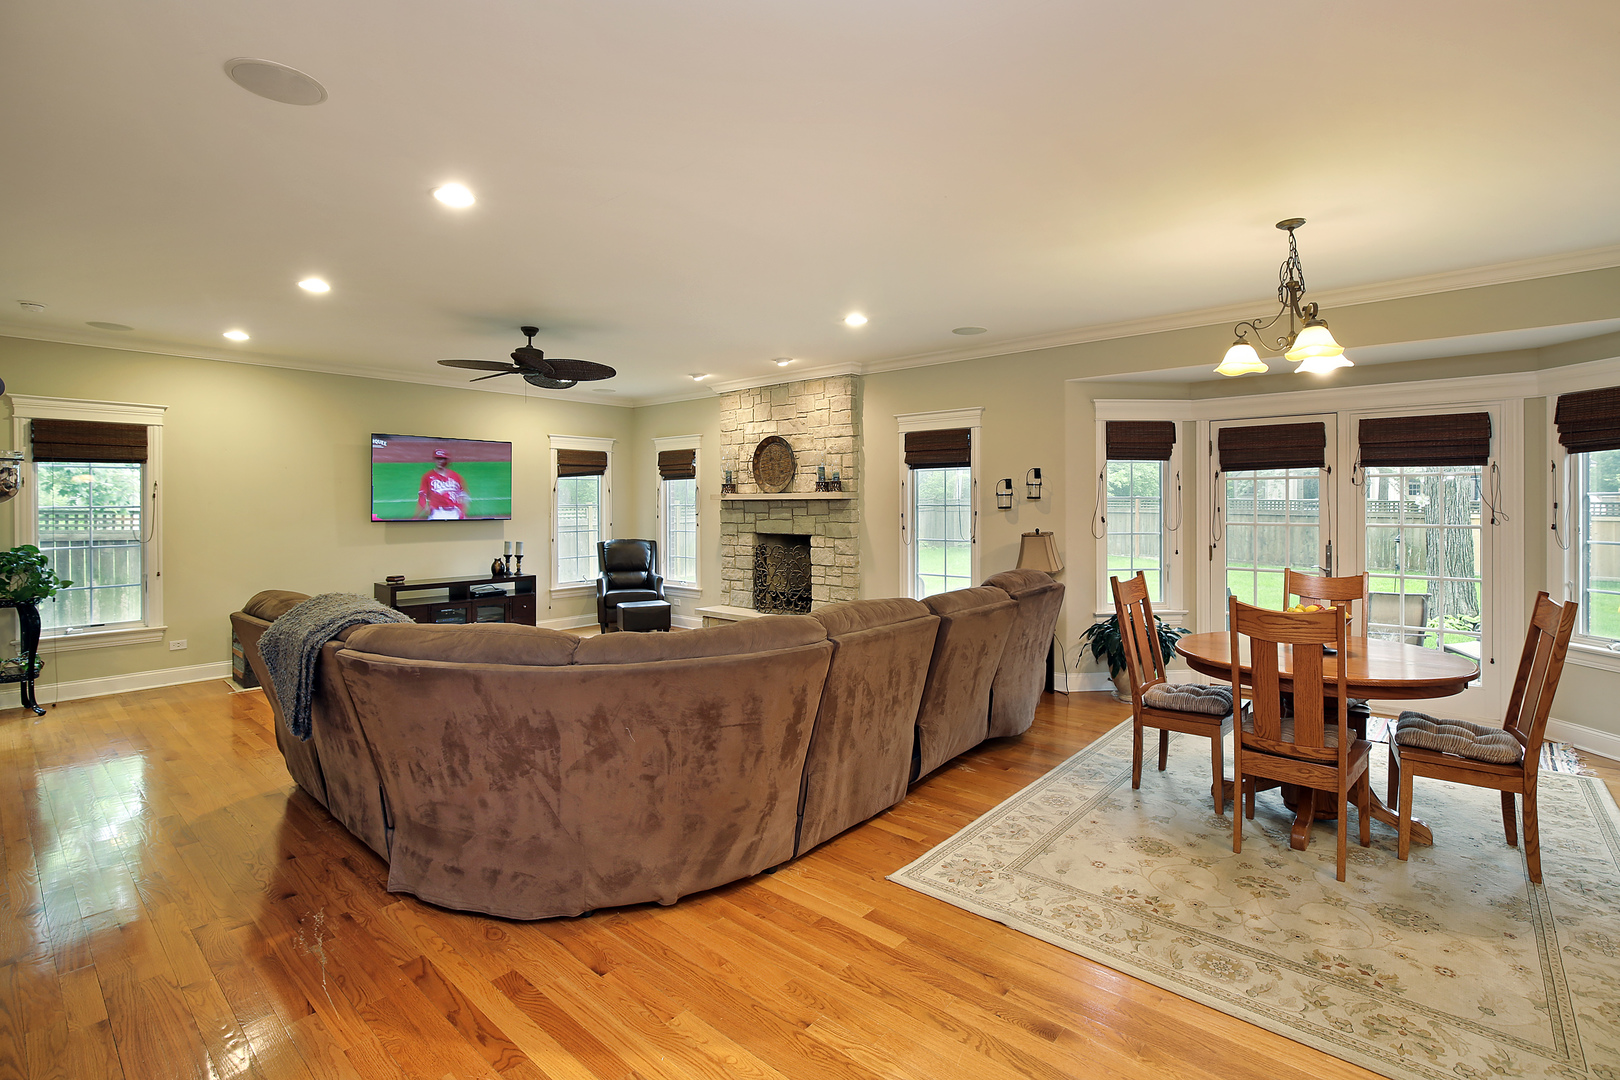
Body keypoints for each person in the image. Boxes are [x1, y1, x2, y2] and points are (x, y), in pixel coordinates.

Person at [415, 449, 470, 519]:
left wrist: (462, 511)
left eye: (442, 459)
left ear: (447, 460)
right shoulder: (428, 476)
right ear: (434, 460)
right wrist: (424, 507)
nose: (440, 461)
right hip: (437, 513)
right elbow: (422, 495)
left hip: (455, 512)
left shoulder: (456, 476)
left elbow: (462, 495)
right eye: (438, 459)